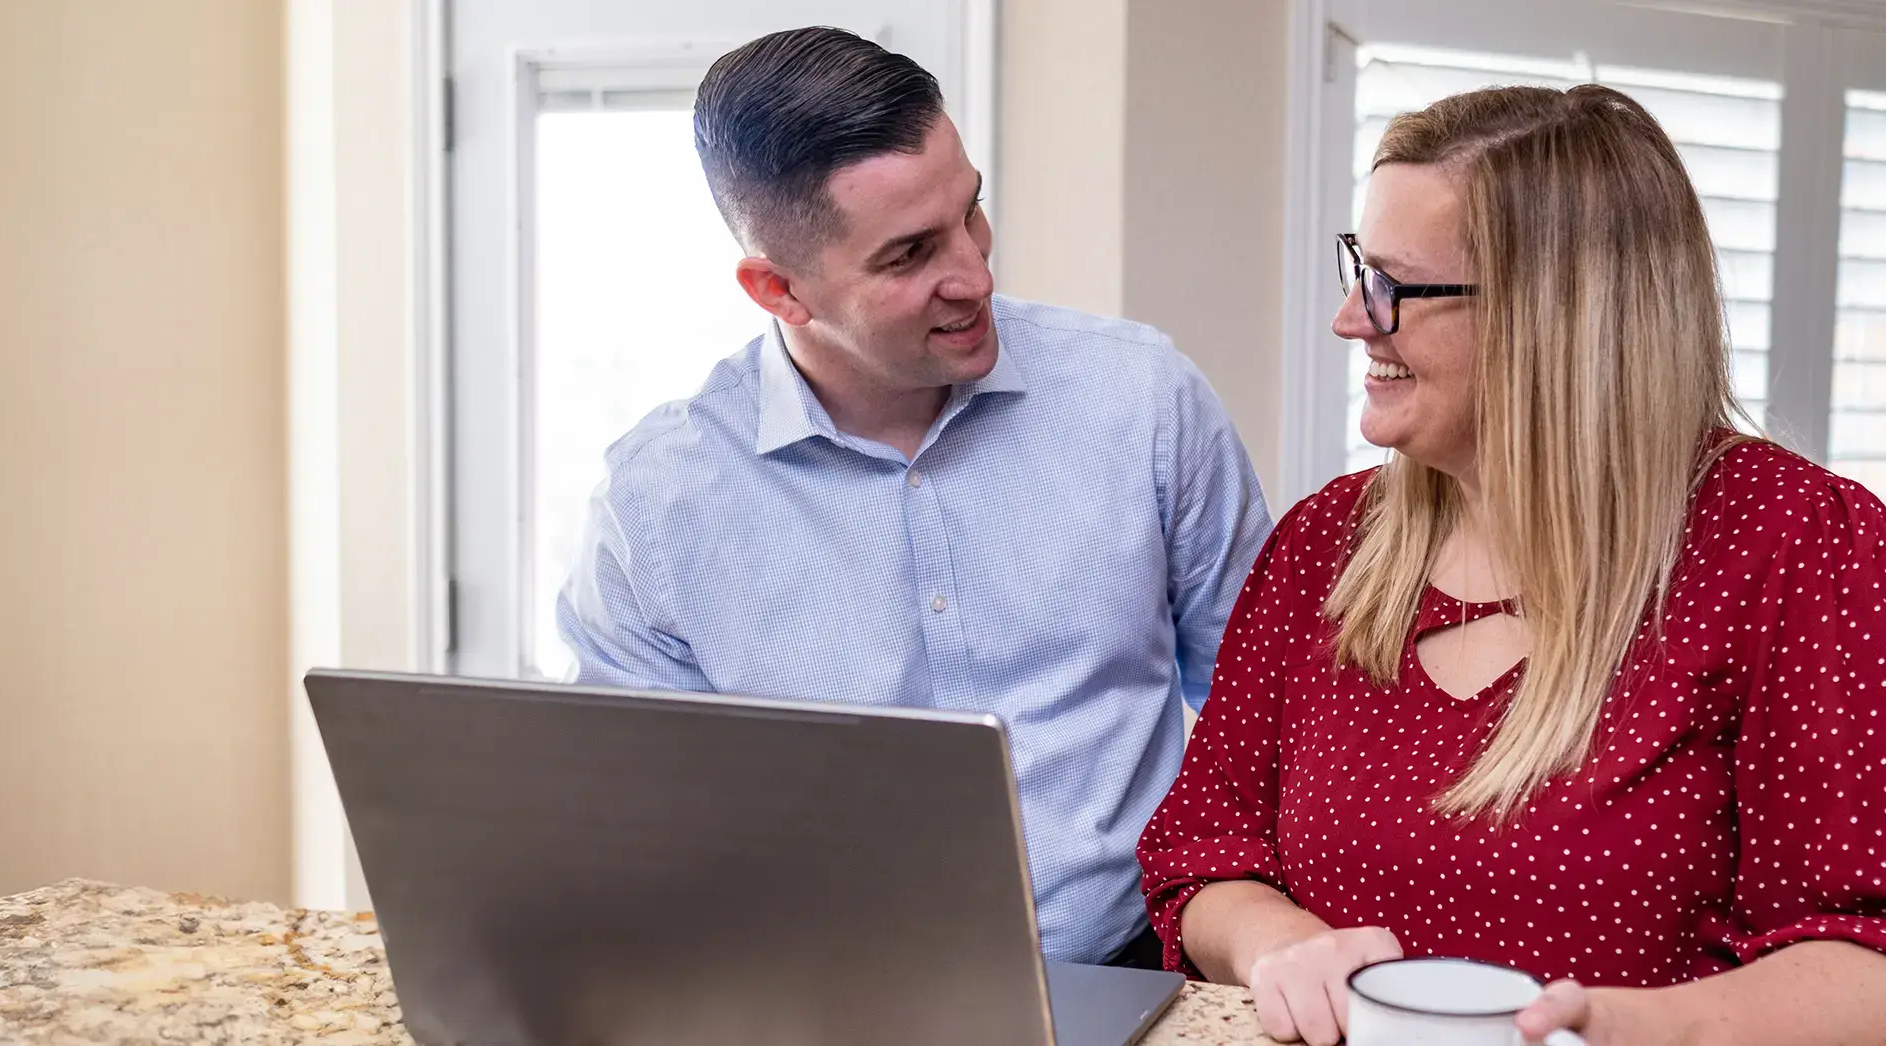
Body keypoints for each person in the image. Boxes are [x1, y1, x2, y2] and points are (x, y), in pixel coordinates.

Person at [1136, 84, 1886, 1046]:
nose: (1351, 320)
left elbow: (1862, 953)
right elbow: (1203, 850)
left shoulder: (1794, 544)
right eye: (1360, 268)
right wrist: (1275, 941)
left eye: (1395, 285)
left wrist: (1628, 1028)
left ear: (1556, 315)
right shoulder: (1327, 543)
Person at [556, 26, 1272, 968]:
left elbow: (1270, 711)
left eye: (972, 213)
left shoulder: (1142, 401)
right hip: (815, 995)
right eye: (909, 256)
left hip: (1139, 968)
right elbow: (637, 824)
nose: (974, 274)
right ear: (779, 290)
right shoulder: (658, 504)